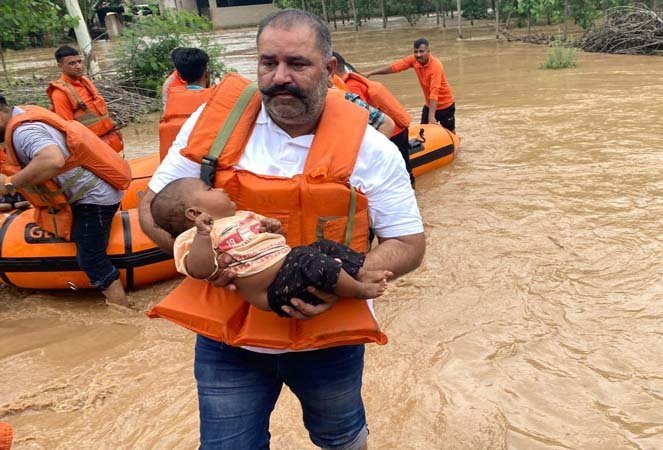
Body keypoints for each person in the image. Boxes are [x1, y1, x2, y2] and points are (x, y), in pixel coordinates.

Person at [139, 9, 424, 449]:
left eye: (297, 64)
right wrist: (209, 263)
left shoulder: (373, 150)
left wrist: (337, 284)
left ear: (329, 70)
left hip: (327, 339)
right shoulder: (211, 129)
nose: (279, 77)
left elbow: (408, 243)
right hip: (227, 344)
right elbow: (151, 209)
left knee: (342, 440)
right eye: (268, 63)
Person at [151, 177, 392, 315]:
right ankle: (359, 291)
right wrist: (203, 235)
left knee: (324, 246)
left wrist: (273, 229)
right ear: (194, 213)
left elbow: (277, 241)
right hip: (269, 290)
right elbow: (200, 270)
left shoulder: (243, 216)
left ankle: (360, 272)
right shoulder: (194, 236)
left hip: (288, 268)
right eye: (210, 189)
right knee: (307, 257)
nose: (221, 188)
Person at [0, 95, 130, 307]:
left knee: (90, 258)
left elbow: (52, 159)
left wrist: (11, 184)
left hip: (94, 199)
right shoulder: (24, 113)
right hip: (88, 194)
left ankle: (123, 309)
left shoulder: (24, 132)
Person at [333, 51, 415, 187]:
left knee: (401, 172)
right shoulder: (352, 80)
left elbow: (362, 117)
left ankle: (410, 190)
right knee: (405, 168)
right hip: (397, 127)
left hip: (392, 131)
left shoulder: (351, 86)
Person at [365, 38, 456, 132]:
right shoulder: (413, 60)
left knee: (451, 132)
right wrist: (371, 73)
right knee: (423, 132)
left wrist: (431, 117)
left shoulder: (436, 66)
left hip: (446, 105)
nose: (418, 55)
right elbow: (395, 67)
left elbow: (434, 91)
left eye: (421, 51)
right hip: (429, 105)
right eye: (416, 52)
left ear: (428, 51)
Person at [46, 46, 124, 152]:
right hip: (92, 149)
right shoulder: (60, 94)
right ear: (60, 66)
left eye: (79, 62)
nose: (78, 66)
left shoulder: (85, 83)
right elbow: (67, 129)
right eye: (72, 63)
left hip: (109, 141)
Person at [159, 48, 214, 160]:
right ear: (206, 72)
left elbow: (166, 115)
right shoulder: (217, 98)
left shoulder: (171, 92)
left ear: (179, 74)